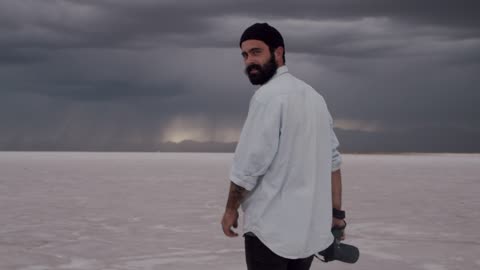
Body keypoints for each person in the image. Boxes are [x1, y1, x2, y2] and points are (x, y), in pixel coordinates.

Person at [221, 22, 346, 270]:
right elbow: (333, 163)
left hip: (270, 234)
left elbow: (248, 166)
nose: (249, 61)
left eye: (256, 52)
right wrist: (337, 214)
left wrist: (230, 210)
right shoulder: (315, 98)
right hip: (308, 235)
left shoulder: (267, 98)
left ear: (278, 52)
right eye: (245, 55)